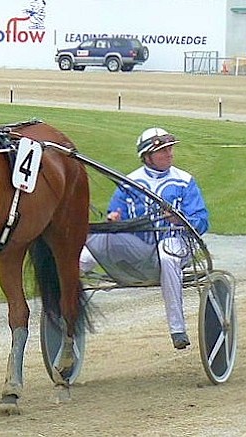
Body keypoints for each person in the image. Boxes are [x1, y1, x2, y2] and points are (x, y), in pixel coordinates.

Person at [80, 127, 209, 350]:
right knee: (92, 246)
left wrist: (179, 220)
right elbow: (115, 214)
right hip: (140, 249)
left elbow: (202, 221)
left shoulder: (184, 181)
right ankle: (62, 309)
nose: (169, 154)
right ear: (147, 157)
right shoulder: (130, 182)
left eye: (170, 149)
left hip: (177, 245)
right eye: (163, 151)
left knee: (167, 252)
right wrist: (114, 218)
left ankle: (177, 328)